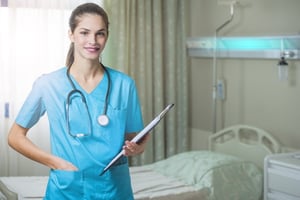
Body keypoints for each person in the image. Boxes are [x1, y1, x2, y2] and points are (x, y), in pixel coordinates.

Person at [8, 3, 148, 199]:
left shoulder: (124, 85)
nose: (93, 40)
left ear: (107, 36)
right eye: (84, 33)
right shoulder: (48, 84)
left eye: (100, 33)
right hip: (66, 189)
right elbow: (15, 136)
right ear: (71, 34)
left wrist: (136, 147)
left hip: (113, 189)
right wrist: (55, 162)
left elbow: (136, 138)